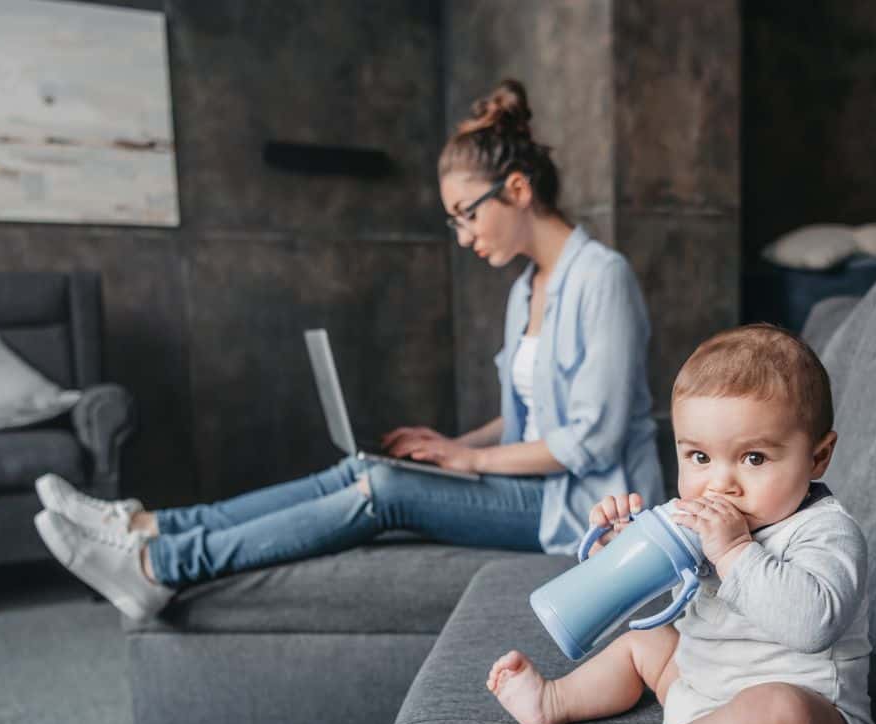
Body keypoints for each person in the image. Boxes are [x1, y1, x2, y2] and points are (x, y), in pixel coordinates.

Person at [33, 79, 663, 622]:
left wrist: (472, 464)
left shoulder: (601, 277)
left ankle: (156, 567)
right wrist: (454, 446)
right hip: (536, 486)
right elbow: (531, 417)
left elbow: (591, 441)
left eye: (466, 215)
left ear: (518, 189)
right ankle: (146, 527)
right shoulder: (526, 286)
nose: (464, 235)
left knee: (379, 489)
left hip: (587, 508)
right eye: (456, 222)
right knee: (357, 470)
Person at [487, 324, 873, 724]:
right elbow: (644, 585)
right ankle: (553, 701)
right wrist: (616, 542)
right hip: (697, 691)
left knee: (781, 712)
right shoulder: (696, 518)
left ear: (818, 456)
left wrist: (734, 552)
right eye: (699, 457)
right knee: (644, 645)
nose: (720, 484)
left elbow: (812, 625)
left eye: (753, 458)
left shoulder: (826, 532)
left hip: (809, 723)